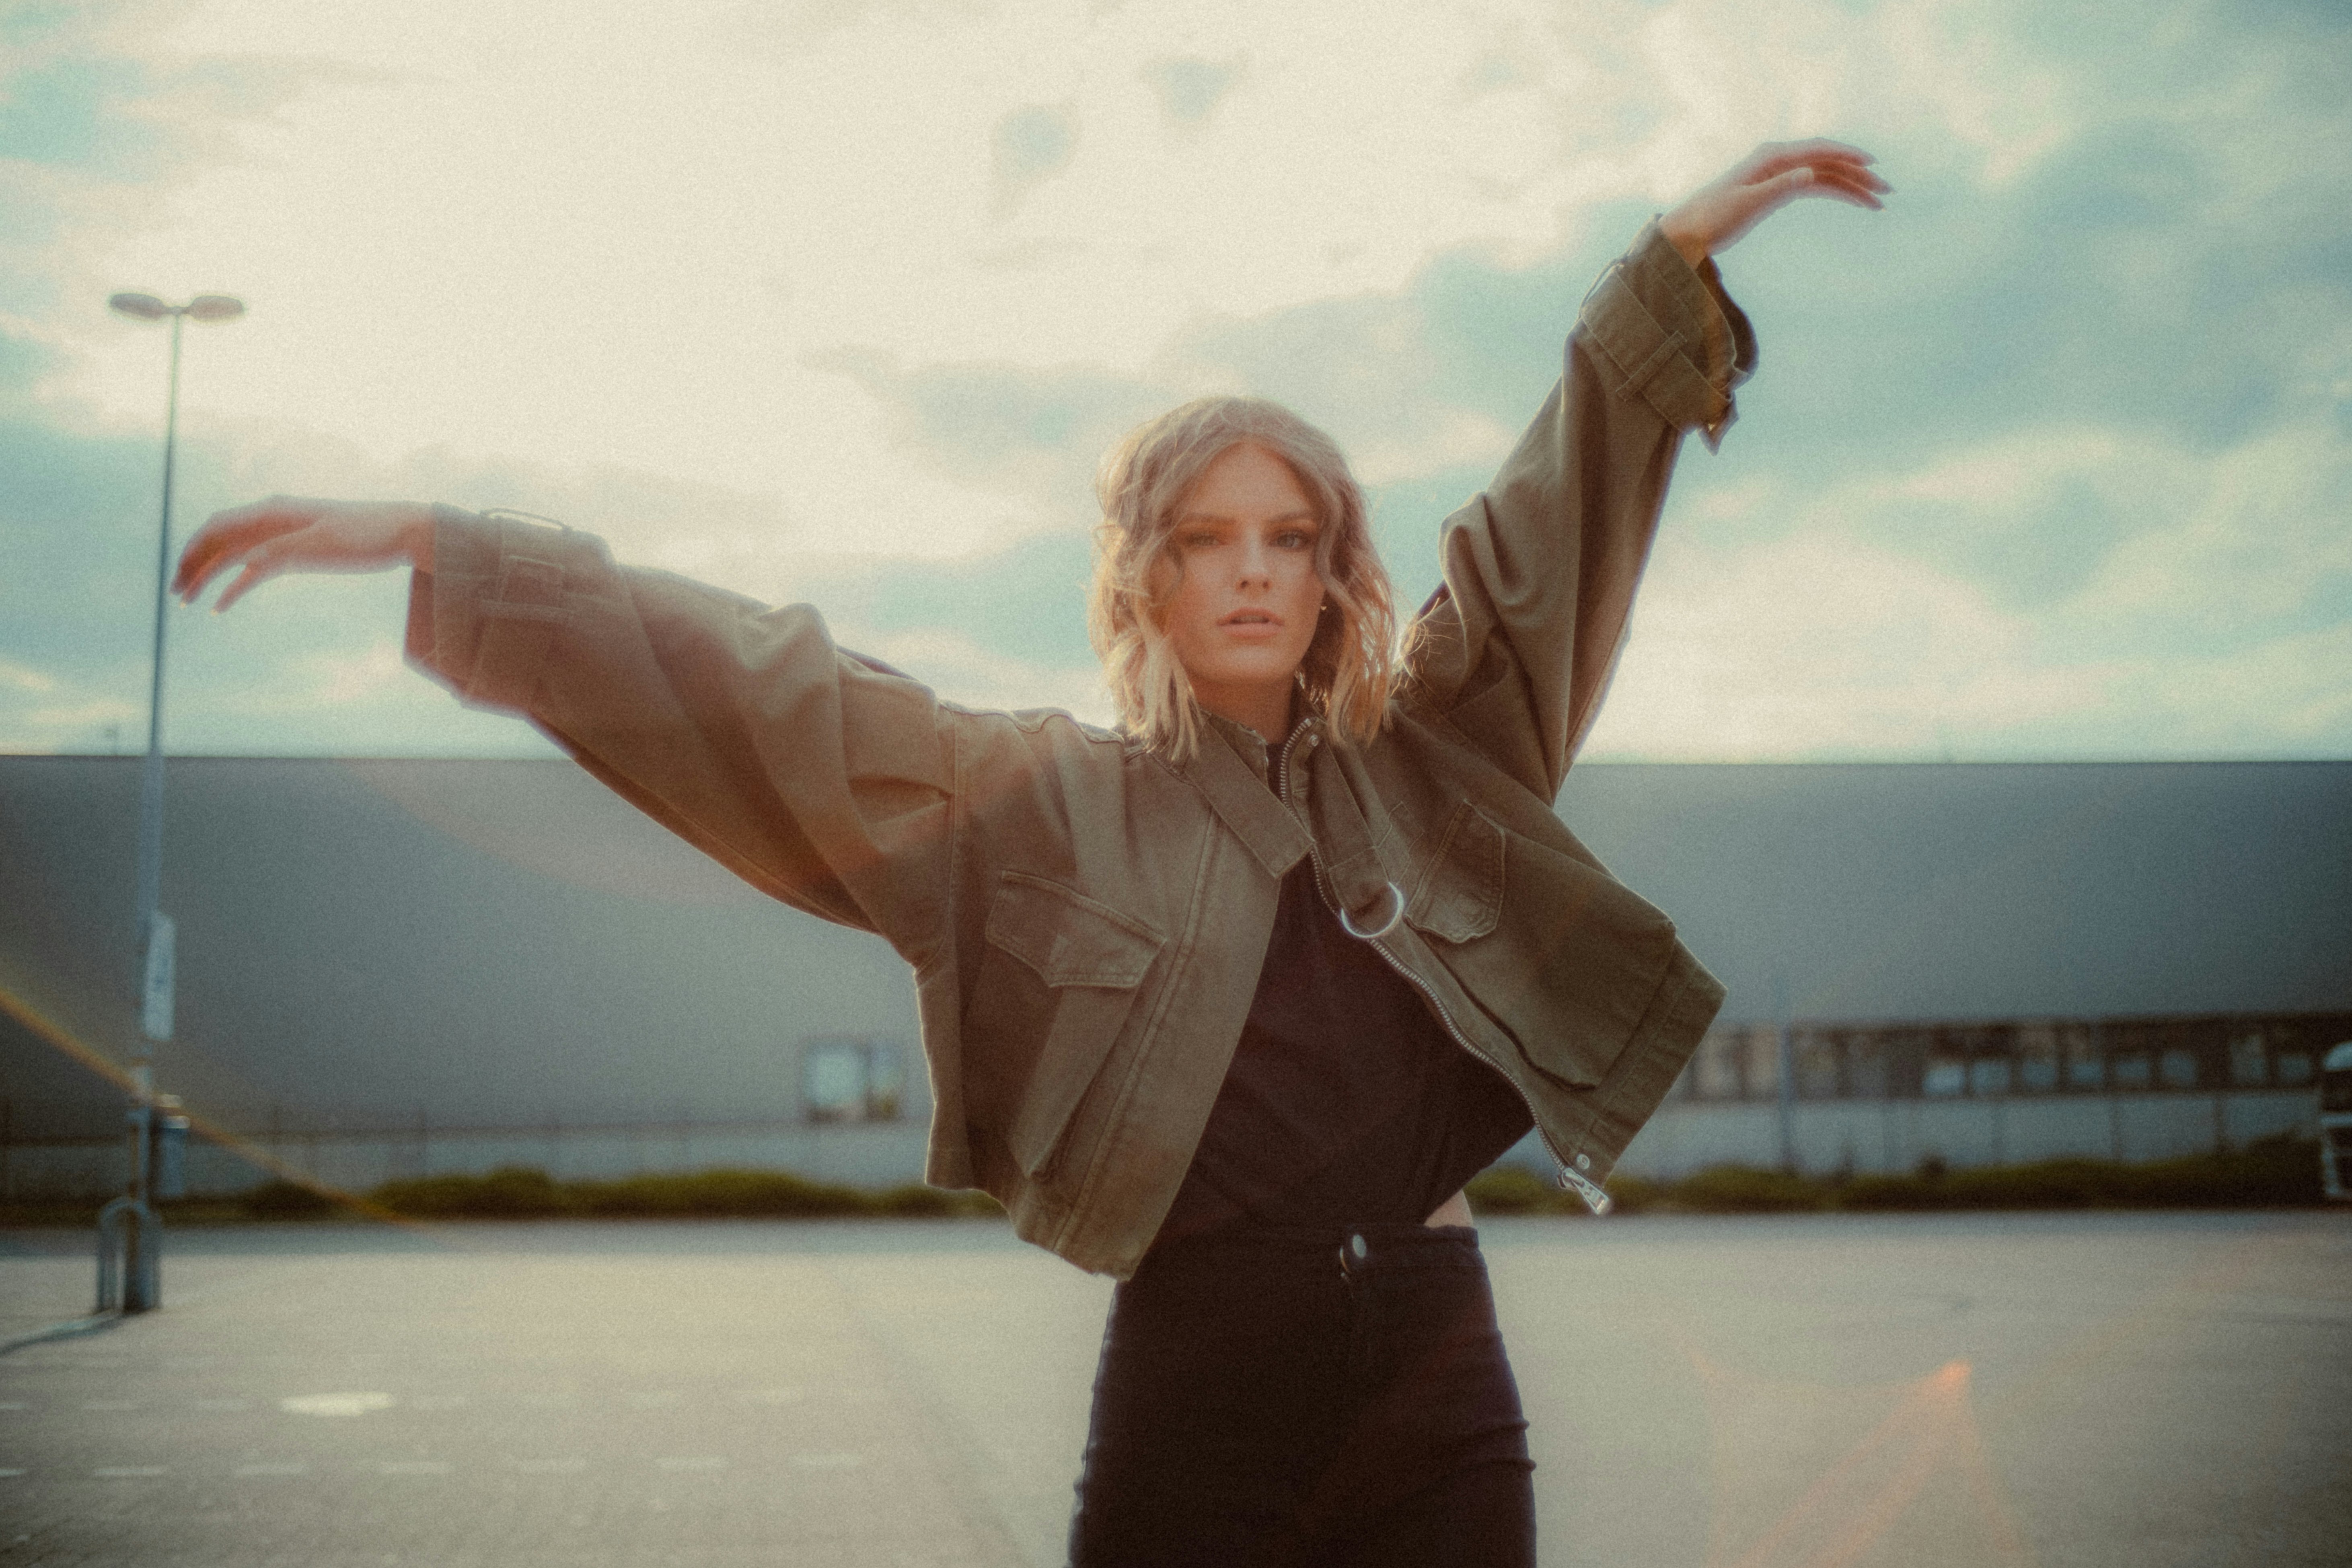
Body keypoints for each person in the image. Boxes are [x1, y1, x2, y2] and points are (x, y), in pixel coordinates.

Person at [175, 139, 1887, 1566]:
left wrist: (1662, 272)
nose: (1252, 572)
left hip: (1438, 1354)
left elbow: (1545, 527)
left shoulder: (1435, 752)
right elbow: (772, 690)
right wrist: (439, 545)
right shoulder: (1033, 801)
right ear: (1145, 574)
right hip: (1200, 1367)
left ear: (1333, 569)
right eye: (1208, 537)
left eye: (1291, 538)